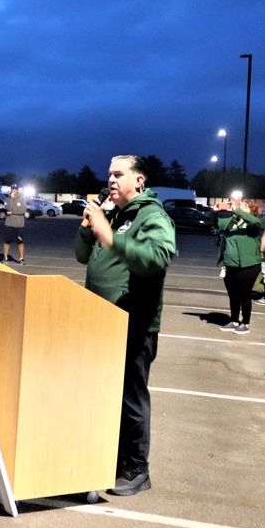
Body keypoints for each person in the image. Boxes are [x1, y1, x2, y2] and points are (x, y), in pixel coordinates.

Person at [75, 155, 175, 496]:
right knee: (109, 396)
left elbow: (158, 258)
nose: (111, 180)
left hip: (135, 321)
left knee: (131, 399)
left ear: (140, 181)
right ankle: (114, 460)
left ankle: (137, 469)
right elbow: (80, 254)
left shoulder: (151, 216)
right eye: (109, 175)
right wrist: (91, 224)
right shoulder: (114, 214)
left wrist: (112, 237)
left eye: (119, 174)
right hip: (104, 321)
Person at [215, 197, 262, 335]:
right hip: (230, 265)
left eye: (244, 205)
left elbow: (255, 222)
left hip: (248, 266)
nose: (240, 206)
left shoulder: (252, 224)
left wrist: (237, 210)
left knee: (244, 295)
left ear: (250, 210)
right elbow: (216, 223)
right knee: (233, 295)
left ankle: (245, 323)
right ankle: (234, 320)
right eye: (240, 204)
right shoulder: (232, 222)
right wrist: (214, 211)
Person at [3, 185, 28, 264]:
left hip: (19, 224)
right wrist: (11, 199)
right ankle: (5, 257)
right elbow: (7, 208)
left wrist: (13, 212)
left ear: (18, 190)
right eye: (12, 189)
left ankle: (21, 258)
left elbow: (22, 210)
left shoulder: (22, 199)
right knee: (7, 241)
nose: (14, 190)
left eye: (15, 189)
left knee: (20, 242)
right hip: (9, 223)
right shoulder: (7, 199)